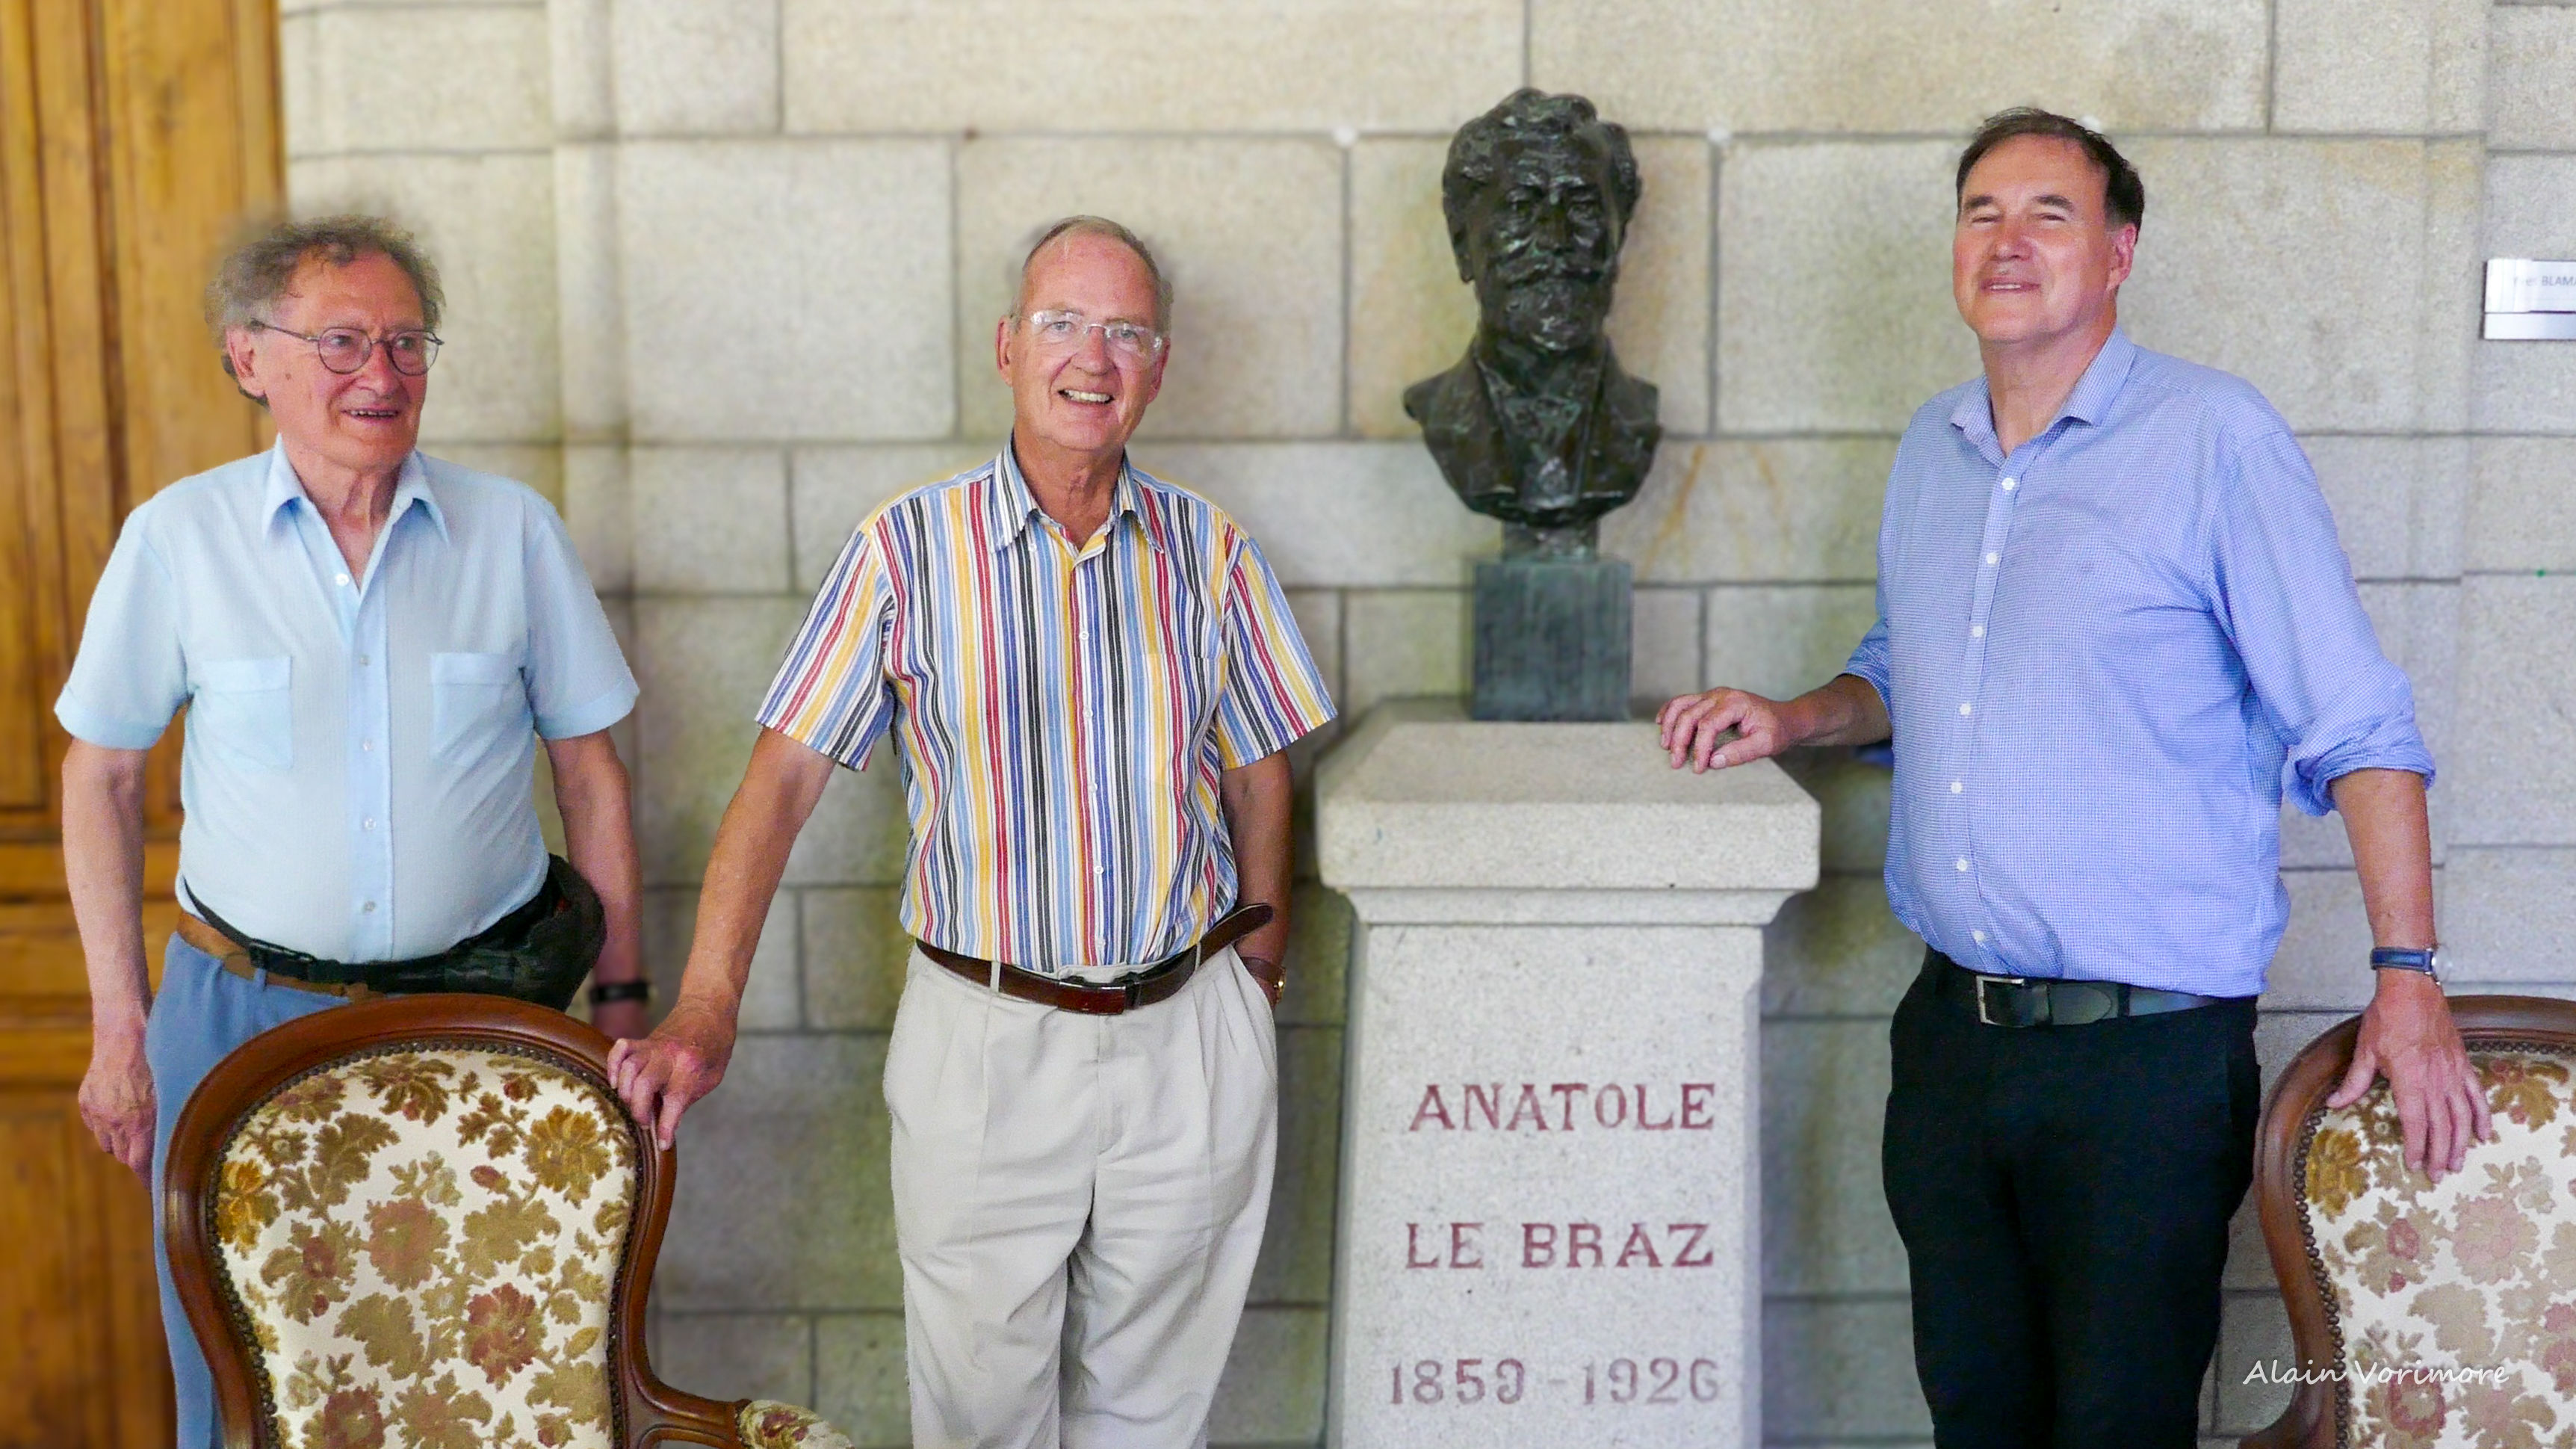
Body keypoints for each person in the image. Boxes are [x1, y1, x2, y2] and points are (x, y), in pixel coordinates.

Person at [1656, 108, 2489, 1447]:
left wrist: (2409, 976)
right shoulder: (1933, 448)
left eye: (2050, 212)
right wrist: (1796, 714)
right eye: (1981, 210)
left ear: (2119, 251)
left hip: (2142, 1065)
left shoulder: (2214, 439)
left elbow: (2361, 728)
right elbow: (1905, 669)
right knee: (1976, 1417)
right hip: (1949, 1048)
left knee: (2118, 1424)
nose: (2008, 240)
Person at [607, 215, 1334, 1448]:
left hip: (1191, 1039)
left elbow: (1263, 760)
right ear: (1007, 345)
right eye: (1062, 322)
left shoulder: (1213, 553)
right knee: (982, 1421)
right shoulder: (904, 550)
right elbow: (778, 785)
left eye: (1125, 331)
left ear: (1158, 366)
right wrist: (705, 1005)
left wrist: (1257, 971)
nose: (1090, 356)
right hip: (987, 1040)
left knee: (1154, 1417)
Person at [60, 214, 647, 1448]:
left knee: (486, 1376)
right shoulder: (181, 538)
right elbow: (102, 778)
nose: (379, 376)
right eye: (339, 342)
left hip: (485, 1023)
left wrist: (626, 1011)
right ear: (249, 359)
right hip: (236, 1018)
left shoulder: (514, 532)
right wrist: (124, 1028)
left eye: (404, 342)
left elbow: (590, 776)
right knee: (253, 1381)